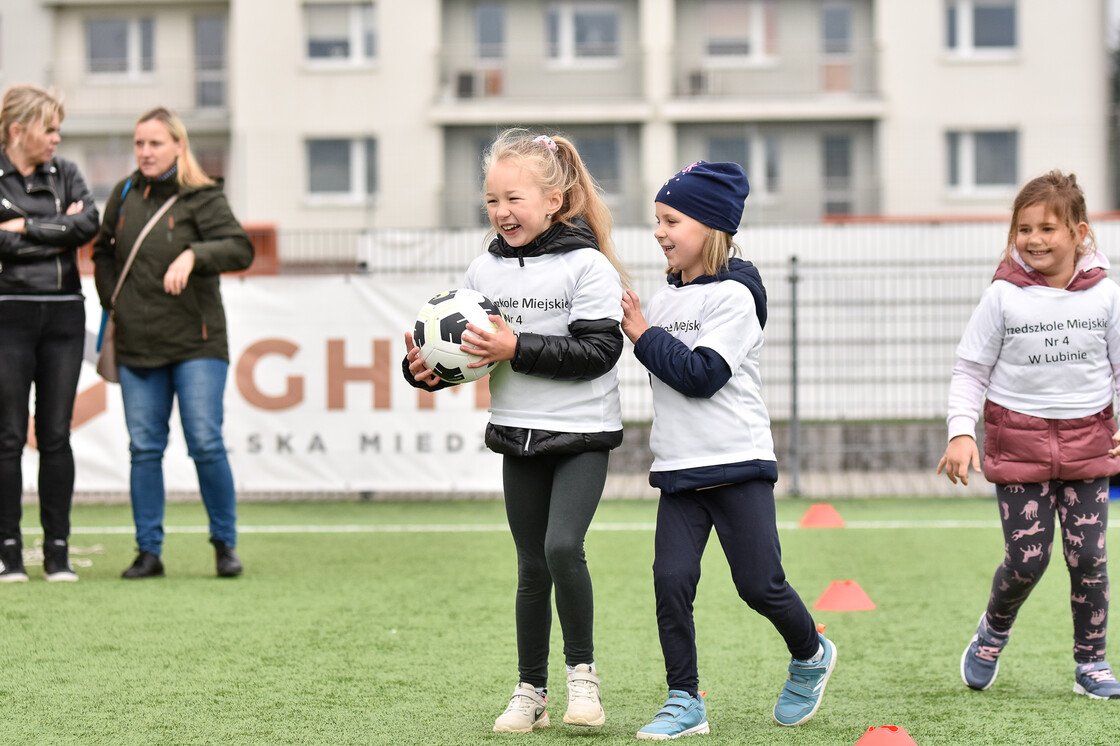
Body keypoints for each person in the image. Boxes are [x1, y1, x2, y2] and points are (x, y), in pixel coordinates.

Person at [402, 129, 627, 732]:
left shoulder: (590, 266)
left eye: (515, 199)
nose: (502, 212)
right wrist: (424, 370)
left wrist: (516, 345)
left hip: (582, 435)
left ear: (554, 199)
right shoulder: (481, 271)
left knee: (561, 548)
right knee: (531, 567)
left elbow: (600, 351)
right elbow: (469, 354)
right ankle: (531, 691)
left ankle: (584, 678)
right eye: (493, 200)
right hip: (516, 435)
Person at [620, 161, 837, 738]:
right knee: (671, 583)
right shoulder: (661, 301)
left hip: (738, 466)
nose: (660, 232)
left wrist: (642, 336)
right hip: (678, 473)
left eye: (671, 220)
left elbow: (701, 374)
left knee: (759, 586)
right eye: (656, 221)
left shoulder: (737, 296)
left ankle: (811, 654)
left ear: (710, 225)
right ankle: (684, 700)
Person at [939, 170, 1120, 699]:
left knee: (1088, 556)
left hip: (1089, 445)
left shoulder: (1106, 296)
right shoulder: (1003, 297)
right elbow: (970, 370)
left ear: (1079, 233)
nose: (1034, 240)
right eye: (1023, 229)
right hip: (1018, 445)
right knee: (1028, 559)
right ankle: (993, 630)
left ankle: (1092, 663)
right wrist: (960, 433)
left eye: (1047, 228)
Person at [92, 107, 253, 580]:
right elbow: (102, 250)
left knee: (204, 443)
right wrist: (110, 299)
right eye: (139, 143)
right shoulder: (123, 194)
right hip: (137, 345)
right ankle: (149, 552)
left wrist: (194, 253)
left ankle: (224, 545)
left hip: (197, 345)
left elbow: (241, 248)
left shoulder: (202, 196)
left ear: (178, 146)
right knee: (144, 448)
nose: (144, 152)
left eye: (155, 143)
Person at [0, 84, 100, 582]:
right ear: (18, 131)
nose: (58, 139)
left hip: (64, 317)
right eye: (49, 129)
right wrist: (58, 227)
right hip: (8, 317)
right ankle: (8, 553)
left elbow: (89, 226)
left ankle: (57, 552)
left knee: (56, 436)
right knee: (9, 437)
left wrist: (23, 230)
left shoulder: (69, 173)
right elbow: (67, 231)